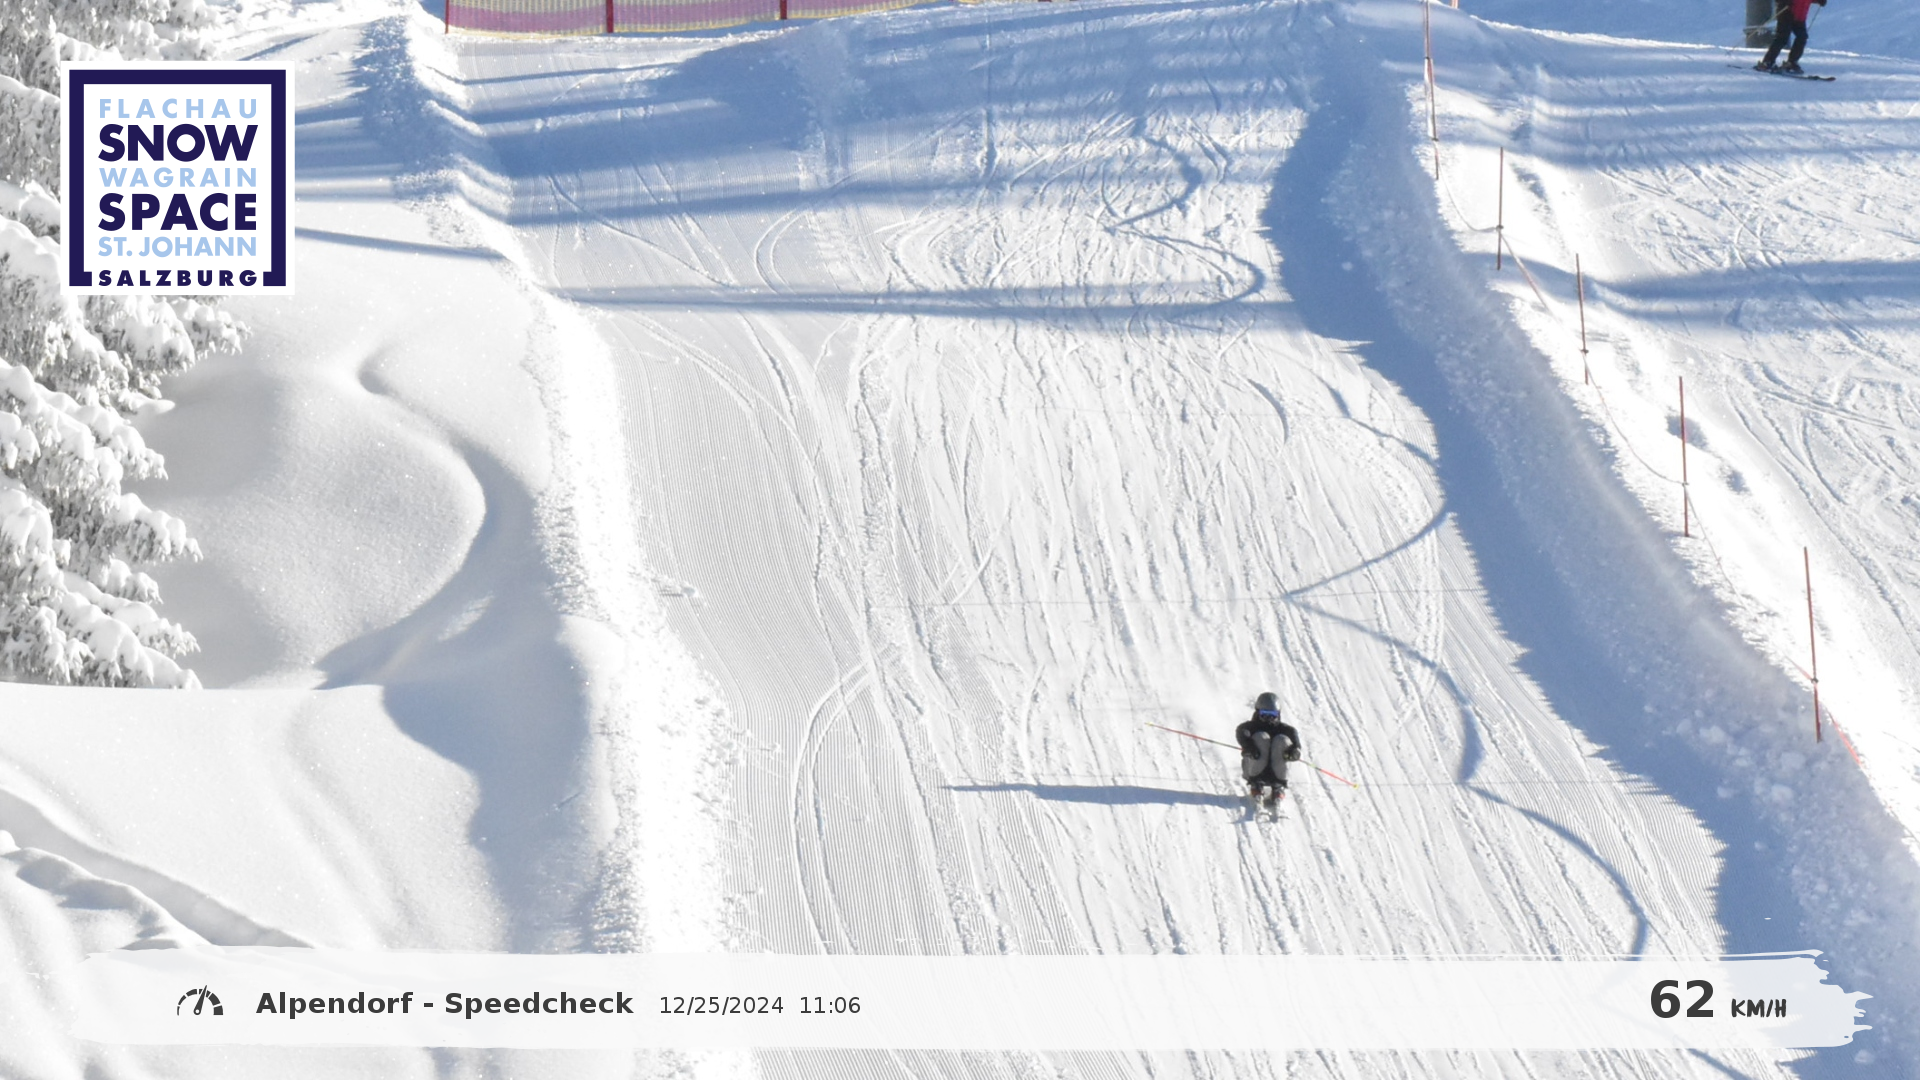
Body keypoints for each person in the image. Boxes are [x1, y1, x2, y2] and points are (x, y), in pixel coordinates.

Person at [1235, 692, 1300, 806]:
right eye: (1264, 714)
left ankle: (1278, 786)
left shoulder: (1288, 730)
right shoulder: (1249, 727)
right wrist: (1249, 747)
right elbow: (1241, 733)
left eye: (1273, 714)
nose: (1269, 718)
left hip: (1277, 772)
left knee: (1282, 739)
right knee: (1261, 736)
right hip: (1253, 770)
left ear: (1278, 714)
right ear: (1258, 712)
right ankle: (1256, 784)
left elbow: (1296, 746)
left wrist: (1293, 752)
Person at [1757, 0, 1827, 75]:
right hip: (1786, 13)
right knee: (1782, 38)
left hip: (1800, 16)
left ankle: (1792, 62)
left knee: (1802, 37)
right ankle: (1767, 62)